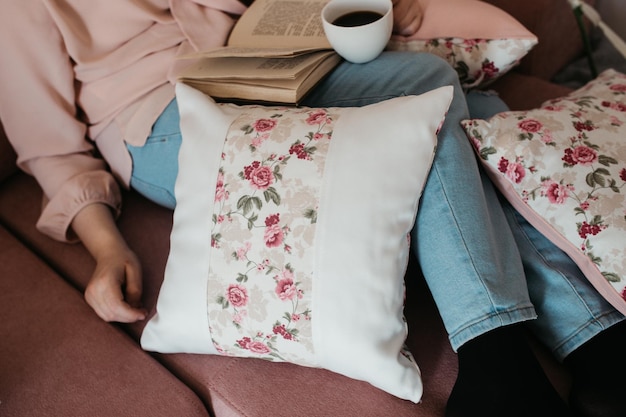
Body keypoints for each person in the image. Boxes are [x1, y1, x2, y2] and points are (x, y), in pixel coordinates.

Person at [0, 1, 623, 417]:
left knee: (449, 99)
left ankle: (561, 355)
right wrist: (106, 248)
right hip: (156, 118)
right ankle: (525, 352)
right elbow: (49, 146)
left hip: (264, 68)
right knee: (439, 112)